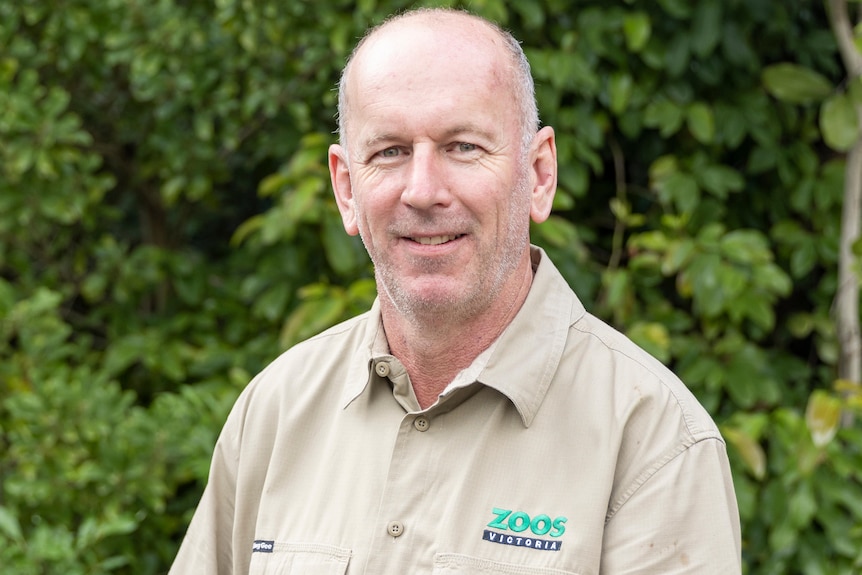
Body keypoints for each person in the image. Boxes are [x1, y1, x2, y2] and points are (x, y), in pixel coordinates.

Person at [169, 7, 741, 574]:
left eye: (463, 146)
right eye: (389, 151)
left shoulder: (653, 441)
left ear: (539, 174)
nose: (422, 191)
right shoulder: (274, 411)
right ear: (346, 189)